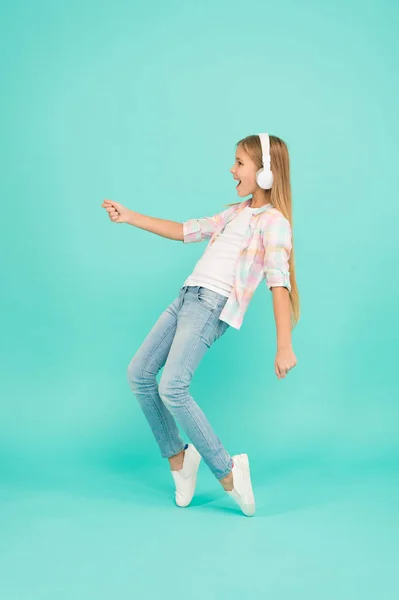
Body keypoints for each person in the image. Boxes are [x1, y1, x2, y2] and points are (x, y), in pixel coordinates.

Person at [101, 133, 299, 517]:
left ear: (265, 173)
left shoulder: (274, 224)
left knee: (173, 386)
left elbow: (279, 282)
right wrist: (130, 217)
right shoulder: (236, 213)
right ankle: (179, 459)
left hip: (210, 305)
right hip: (186, 297)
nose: (232, 169)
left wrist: (284, 344)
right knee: (139, 373)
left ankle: (228, 472)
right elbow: (185, 230)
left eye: (240, 162)